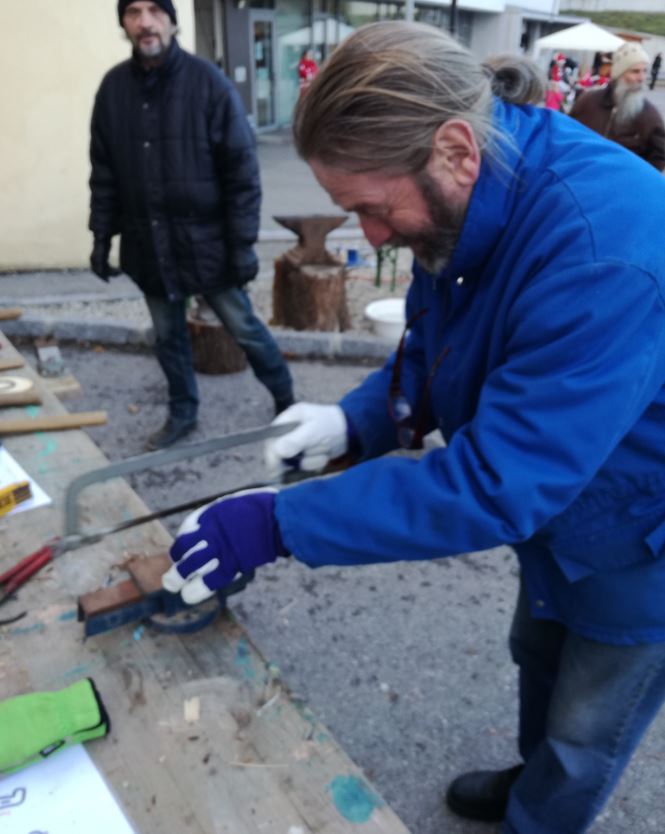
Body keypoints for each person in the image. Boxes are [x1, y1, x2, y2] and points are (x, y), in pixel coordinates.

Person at [162, 21, 665, 834]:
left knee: (586, 724)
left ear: (454, 151)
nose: (369, 235)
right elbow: (438, 341)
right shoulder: (472, 196)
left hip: (640, 533)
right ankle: (529, 780)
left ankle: (540, 818)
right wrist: (355, 421)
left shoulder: (598, 249)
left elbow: (497, 484)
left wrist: (279, 523)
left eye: (370, 208)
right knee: (538, 655)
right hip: (563, 503)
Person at [89, 0, 294, 450]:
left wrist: (242, 246)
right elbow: (104, 173)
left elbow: (242, 174)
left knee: (244, 327)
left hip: (207, 244)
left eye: (155, 10)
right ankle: (183, 411)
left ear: (172, 20)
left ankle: (287, 400)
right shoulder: (113, 89)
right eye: (133, 12)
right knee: (167, 336)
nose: (145, 22)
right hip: (147, 242)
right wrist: (102, 236)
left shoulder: (208, 83)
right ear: (124, 22)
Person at [569, 41, 665, 170]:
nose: (642, 78)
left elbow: (659, 158)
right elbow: (568, 135)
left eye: (645, 71)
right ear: (619, 74)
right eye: (635, 71)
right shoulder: (587, 102)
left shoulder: (650, 116)